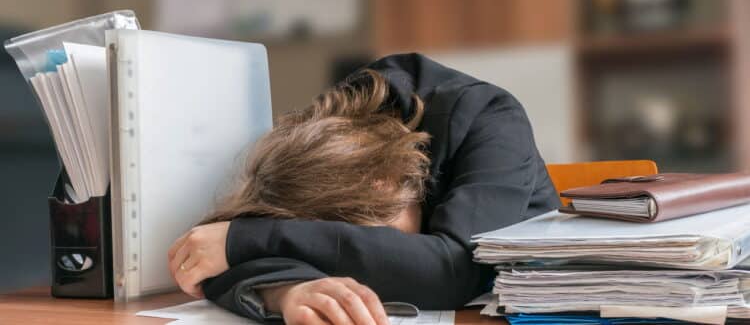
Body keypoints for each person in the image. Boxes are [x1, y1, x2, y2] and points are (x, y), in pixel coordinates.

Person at [167, 53, 560, 325]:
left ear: (383, 183)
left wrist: (248, 240)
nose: (370, 265)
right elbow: (214, 255)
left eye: (363, 242)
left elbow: (453, 269)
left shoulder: (491, 119)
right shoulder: (332, 135)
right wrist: (287, 290)